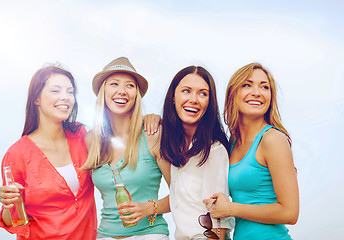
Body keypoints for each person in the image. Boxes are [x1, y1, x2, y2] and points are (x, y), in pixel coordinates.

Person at [0, 65, 97, 239]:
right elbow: (13, 221)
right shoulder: (17, 154)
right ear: (36, 98)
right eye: (55, 91)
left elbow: (120, 139)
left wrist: (147, 119)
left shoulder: (82, 135)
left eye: (70, 91)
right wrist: (8, 205)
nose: (65, 97)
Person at [204, 62, 299, 239]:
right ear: (233, 93)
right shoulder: (232, 143)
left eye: (264, 87)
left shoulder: (272, 139)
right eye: (247, 85)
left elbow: (290, 212)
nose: (257, 92)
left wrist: (230, 208)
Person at [81, 57, 170, 239]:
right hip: (104, 235)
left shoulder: (153, 134)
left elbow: (183, 194)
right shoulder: (91, 140)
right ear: (103, 91)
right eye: (114, 84)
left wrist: (149, 208)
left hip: (150, 234)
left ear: (136, 94)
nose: (122, 91)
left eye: (130, 85)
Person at [160, 66, 235, 240]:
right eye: (186, 91)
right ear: (173, 97)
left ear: (210, 103)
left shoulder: (213, 149)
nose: (194, 99)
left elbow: (218, 217)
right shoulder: (175, 144)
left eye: (203, 93)